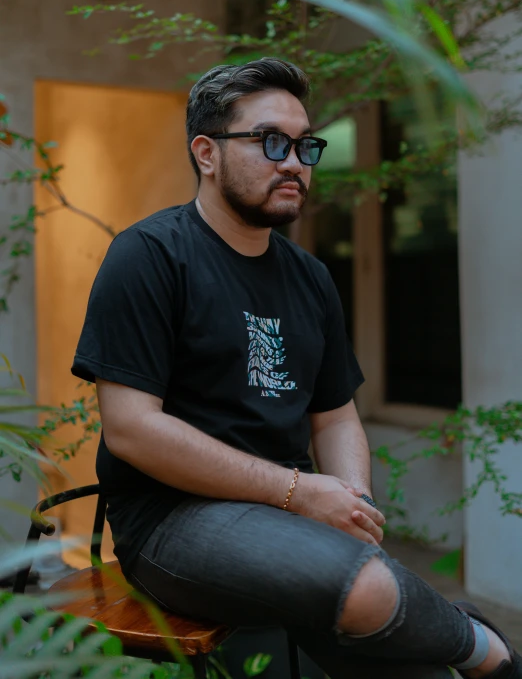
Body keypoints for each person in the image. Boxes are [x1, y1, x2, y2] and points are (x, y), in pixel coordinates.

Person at [72, 58, 521, 679]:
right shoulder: (149, 256)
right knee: (367, 590)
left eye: (305, 145)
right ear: (206, 153)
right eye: (270, 142)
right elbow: (131, 428)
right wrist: (300, 491)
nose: (295, 162)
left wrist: (353, 503)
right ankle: (487, 650)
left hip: (290, 515)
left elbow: (335, 416)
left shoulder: (310, 278)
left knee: (394, 649)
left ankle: (437, 630)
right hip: (173, 522)